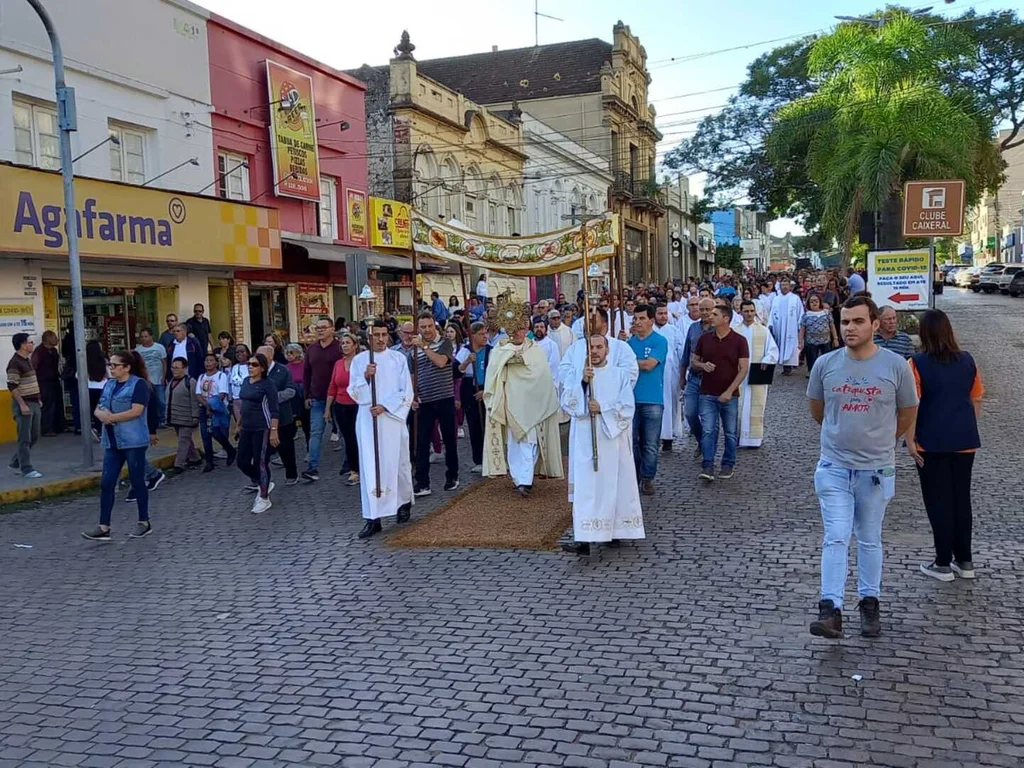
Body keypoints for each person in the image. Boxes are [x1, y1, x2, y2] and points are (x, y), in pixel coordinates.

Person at [807, 296, 918, 639]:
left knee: (869, 538)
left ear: (874, 324)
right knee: (836, 536)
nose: (849, 328)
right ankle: (831, 609)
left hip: (875, 470)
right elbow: (817, 410)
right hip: (834, 466)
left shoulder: (896, 365)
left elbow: (907, 412)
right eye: (844, 322)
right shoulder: (825, 364)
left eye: (857, 321)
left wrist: (883, 440)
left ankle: (870, 603)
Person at [906, 309, 983, 582]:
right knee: (961, 500)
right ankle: (965, 560)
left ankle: (942, 561)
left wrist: (910, 440)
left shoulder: (916, 363)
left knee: (938, 501)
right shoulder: (967, 360)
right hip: (964, 440)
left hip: (931, 441)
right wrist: (965, 425)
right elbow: (975, 398)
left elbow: (911, 405)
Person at [560, 334, 645, 556]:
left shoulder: (619, 375)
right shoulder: (581, 375)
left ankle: (615, 530)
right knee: (587, 488)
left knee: (612, 485)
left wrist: (604, 409)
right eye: (591, 348)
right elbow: (567, 402)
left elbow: (627, 407)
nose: (595, 351)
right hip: (585, 440)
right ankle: (584, 537)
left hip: (612, 441)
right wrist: (582, 384)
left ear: (607, 350)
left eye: (599, 347)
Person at [348, 321, 415, 539]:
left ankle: (403, 503)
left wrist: (385, 405)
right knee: (370, 466)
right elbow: (353, 391)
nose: (380, 339)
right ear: (369, 337)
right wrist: (366, 378)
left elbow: (406, 391)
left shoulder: (398, 359)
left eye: (384, 334)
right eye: (375, 334)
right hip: (369, 422)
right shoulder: (360, 361)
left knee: (398, 463)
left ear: (388, 336)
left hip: (392, 419)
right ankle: (372, 517)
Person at [483, 321, 564, 496]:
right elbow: (493, 372)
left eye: (520, 329)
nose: (517, 332)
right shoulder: (500, 349)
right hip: (511, 401)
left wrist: (519, 361)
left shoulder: (535, 350)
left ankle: (525, 481)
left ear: (526, 330)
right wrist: (506, 363)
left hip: (533, 404)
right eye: (513, 329)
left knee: (531, 442)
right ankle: (519, 479)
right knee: (514, 443)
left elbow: (542, 374)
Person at [81, 351, 154, 541]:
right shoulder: (110, 384)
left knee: (137, 480)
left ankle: (143, 521)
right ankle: (104, 526)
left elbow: (137, 411)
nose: (111, 369)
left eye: (115, 365)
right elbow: (100, 406)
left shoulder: (138, 384)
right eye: (110, 365)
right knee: (107, 482)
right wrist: (101, 415)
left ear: (127, 367)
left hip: (133, 440)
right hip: (112, 440)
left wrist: (112, 417)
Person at [693, 305, 750, 481]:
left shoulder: (739, 341)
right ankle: (708, 465)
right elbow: (694, 361)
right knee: (708, 430)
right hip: (707, 393)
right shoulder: (704, 339)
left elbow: (743, 368)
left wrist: (730, 391)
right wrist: (703, 366)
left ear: (726, 319)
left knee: (730, 431)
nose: (711, 316)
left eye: (715, 314)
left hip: (729, 395)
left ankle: (728, 463)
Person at [411, 311, 459, 496]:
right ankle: (422, 482)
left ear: (435, 325)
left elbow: (441, 362)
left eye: (429, 326)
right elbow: (413, 375)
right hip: (425, 401)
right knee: (422, 442)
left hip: (445, 398)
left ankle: (452, 476)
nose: (427, 330)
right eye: (423, 327)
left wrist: (424, 347)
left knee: (449, 440)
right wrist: (413, 396)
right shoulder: (414, 348)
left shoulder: (445, 342)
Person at [626, 304, 667, 495]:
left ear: (651, 320)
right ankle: (634, 477)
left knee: (650, 443)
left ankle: (648, 477)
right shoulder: (628, 343)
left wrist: (630, 362)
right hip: (631, 398)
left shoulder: (660, 341)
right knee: (632, 442)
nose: (638, 322)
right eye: (635, 318)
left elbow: (649, 365)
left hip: (652, 398)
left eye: (642, 318)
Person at [236, 353, 280, 513]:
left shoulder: (267, 385)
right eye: (249, 364)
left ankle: (264, 497)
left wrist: (274, 431)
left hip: (262, 427)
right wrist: (239, 424)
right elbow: (243, 404)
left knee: (261, 461)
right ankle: (262, 481)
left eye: (254, 365)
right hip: (246, 427)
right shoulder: (246, 381)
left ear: (262, 368)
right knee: (241, 461)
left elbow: (274, 410)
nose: (250, 367)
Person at [302, 317, 342, 481]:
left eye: (323, 327)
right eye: (317, 328)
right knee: (316, 431)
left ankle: (351, 465)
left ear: (332, 329)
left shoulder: (340, 347)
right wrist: (307, 395)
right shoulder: (312, 349)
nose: (320, 330)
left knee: (345, 432)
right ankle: (312, 467)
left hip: (339, 397)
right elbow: (307, 373)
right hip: (317, 397)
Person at [736, 300, 780, 449]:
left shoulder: (763, 330)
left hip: (757, 375)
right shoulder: (735, 331)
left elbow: (772, 350)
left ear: (755, 312)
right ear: (740, 312)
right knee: (739, 407)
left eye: (751, 311)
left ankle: (755, 439)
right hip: (739, 377)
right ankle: (738, 437)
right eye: (746, 311)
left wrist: (767, 360)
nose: (749, 314)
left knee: (757, 406)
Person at [257, 344, 298, 487]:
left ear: (270, 356)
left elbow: (291, 391)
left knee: (286, 448)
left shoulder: (283, 370)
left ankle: (291, 473)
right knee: (261, 452)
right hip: (261, 419)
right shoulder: (255, 370)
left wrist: (272, 397)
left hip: (282, 417)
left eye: (260, 355)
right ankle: (259, 479)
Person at [325, 334, 361, 487]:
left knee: (358, 437)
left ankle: (363, 468)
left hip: (358, 405)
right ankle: (354, 470)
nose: (345, 345)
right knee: (348, 439)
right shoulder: (338, 364)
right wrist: (327, 408)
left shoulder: (361, 362)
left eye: (348, 343)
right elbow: (332, 386)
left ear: (355, 345)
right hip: (341, 405)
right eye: (343, 343)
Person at [682, 298, 715, 458]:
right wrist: (682, 376)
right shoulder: (693, 328)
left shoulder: (718, 329)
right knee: (689, 413)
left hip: (712, 378)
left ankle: (709, 452)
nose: (704, 313)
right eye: (701, 310)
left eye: (707, 309)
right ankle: (701, 441)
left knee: (709, 419)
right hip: (694, 377)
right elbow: (686, 353)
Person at [7, 333, 43, 479]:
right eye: (30, 342)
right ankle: (26, 468)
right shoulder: (15, 363)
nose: (32, 345)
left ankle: (16, 462)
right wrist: (22, 404)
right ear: (22, 344)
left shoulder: (27, 360)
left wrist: (38, 399)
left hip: (33, 401)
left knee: (34, 435)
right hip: (24, 403)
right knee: (24, 437)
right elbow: (12, 385)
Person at [455, 321, 489, 473]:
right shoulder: (465, 350)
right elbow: (456, 371)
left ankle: (492, 457)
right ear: (473, 335)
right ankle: (479, 459)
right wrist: (468, 361)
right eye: (481, 334)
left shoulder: (491, 351)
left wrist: (486, 390)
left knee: (489, 424)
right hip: (470, 387)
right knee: (474, 424)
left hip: (486, 387)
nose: (485, 337)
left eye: (485, 333)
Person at [195, 353, 236, 473]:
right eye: (206, 360)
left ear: (216, 363)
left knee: (217, 433)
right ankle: (209, 462)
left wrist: (212, 406)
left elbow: (222, 393)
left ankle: (229, 450)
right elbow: (198, 394)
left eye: (211, 360)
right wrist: (206, 405)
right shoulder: (201, 377)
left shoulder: (221, 376)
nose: (208, 363)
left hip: (217, 408)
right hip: (204, 408)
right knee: (205, 435)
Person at [653, 304, 684, 452]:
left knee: (670, 404)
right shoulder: (649, 331)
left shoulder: (674, 331)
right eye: (660, 313)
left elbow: (681, 352)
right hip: (653, 373)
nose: (663, 316)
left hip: (671, 373)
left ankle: (668, 437)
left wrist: (683, 373)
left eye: (665, 313)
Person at [165, 357, 202, 472]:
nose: (174, 370)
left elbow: (195, 400)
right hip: (175, 417)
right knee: (185, 439)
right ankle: (195, 457)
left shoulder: (190, 382)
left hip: (187, 417)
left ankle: (179, 464)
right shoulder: (171, 382)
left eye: (177, 367)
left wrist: (195, 416)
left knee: (183, 440)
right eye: (173, 367)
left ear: (185, 368)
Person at [768, 280, 804, 375]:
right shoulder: (776, 298)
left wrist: (800, 324)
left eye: (786, 285)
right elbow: (772, 312)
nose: (784, 287)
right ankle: (784, 366)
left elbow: (800, 312)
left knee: (791, 344)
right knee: (781, 345)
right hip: (779, 326)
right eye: (783, 285)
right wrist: (770, 324)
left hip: (791, 327)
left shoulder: (795, 298)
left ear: (790, 286)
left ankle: (789, 366)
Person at [32, 330, 63, 436]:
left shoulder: (54, 351)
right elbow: (34, 368)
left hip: (54, 380)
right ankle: (47, 429)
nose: (56, 339)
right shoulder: (39, 352)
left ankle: (58, 426)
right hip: (44, 382)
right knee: (48, 406)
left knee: (57, 404)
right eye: (54, 337)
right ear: (48, 339)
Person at [135, 328, 168, 427]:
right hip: (146, 380)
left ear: (151, 336)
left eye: (146, 336)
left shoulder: (160, 347)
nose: (144, 339)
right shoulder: (138, 350)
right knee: (149, 402)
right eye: (142, 337)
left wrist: (163, 376)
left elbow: (164, 362)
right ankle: (153, 421)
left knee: (161, 401)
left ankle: (163, 419)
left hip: (158, 378)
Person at [800, 293, 837, 376]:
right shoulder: (806, 315)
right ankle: (812, 372)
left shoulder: (826, 313)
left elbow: (832, 325)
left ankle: (826, 372)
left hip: (825, 340)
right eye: (812, 301)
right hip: (811, 340)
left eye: (816, 301)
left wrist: (835, 338)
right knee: (811, 358)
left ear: (820, 302)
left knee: (826, 357)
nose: (814, 303)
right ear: (808, 303)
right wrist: (800, 341)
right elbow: (802, 329)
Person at [285, 343, 310, 450]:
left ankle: (310, 449)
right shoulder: (285, 368)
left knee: (307, 425)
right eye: (287, 353)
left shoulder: (306, 365)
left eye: (292, 353)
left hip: (303, 397)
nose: (289, 355)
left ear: (299, 353)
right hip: (291, 399)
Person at [85, 340, 108, 441]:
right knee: (101, 409)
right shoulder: (104, 360)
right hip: (102, 387)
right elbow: (110, 374)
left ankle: (95, 428)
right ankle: (100, 430)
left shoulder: (84, 361)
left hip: (89, 388)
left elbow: (78, 375)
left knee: (92, 409)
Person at [532, 318, 561, 385]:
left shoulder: (552, 345)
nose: (539, 329)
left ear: (546, 330)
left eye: (541, 327)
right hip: (532, 381)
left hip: (548, 381)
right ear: (533, 330)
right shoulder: (529, 345)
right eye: (536, 327)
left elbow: (553, 364)